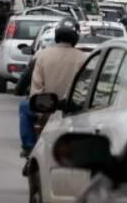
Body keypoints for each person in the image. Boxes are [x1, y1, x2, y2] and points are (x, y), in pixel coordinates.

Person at [18, 18, 87, 157]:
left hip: (46, 106)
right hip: (72, 108)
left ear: (57, 35)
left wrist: (40, 109)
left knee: (24, 107)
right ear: (75, 37)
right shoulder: (83, 58)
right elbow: (86, 87)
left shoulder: (42, 56)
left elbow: (36, 89)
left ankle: (29, 147)